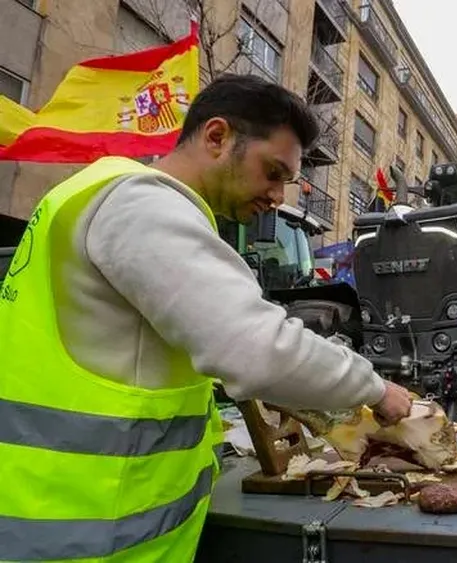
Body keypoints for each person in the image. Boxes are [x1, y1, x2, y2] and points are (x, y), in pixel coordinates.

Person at [0, 73, 412, 562]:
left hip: (66, 517)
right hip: (92, 534)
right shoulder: (142, 206)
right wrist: (376, 389)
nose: (278, 197)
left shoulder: (87, 195)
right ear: (217, 137)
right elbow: (255, 348)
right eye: (273, 172)